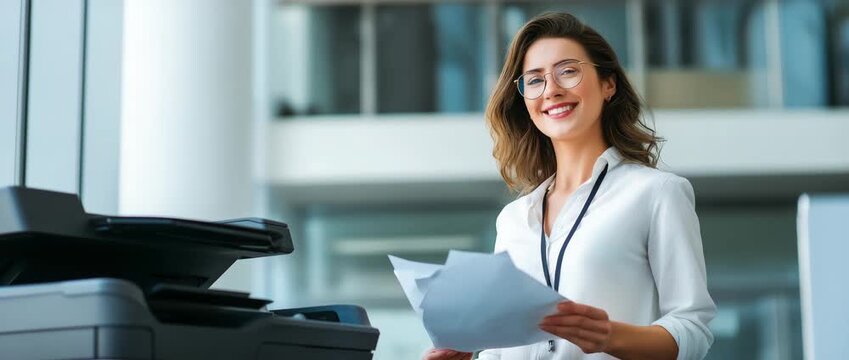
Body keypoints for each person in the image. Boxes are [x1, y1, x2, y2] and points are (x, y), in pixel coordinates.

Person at [423, 12, 715, 360]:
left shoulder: (657, 194)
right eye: (534, 80)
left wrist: (610, 336)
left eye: (568, 71)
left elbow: (693, 330)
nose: (552, 90)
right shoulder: (514, 219)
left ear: (609, 84)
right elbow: (506, 347)